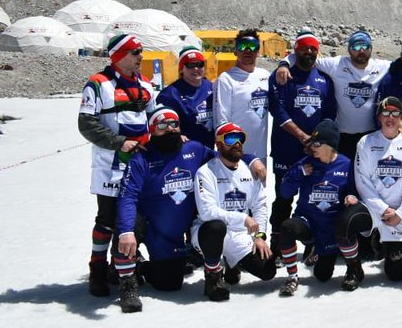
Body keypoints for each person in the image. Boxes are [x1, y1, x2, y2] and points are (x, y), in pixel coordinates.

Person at [113, 108, 264, 311]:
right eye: (162, 125)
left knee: (170, 284)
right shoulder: (142, 158)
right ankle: (127, 282)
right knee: (126, 228)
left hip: (175, 234)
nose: (169, 129)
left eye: (174, 124)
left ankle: (141, 266)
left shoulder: (193, 149)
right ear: (151, 130)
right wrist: (126, 232)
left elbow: (223, 155)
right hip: (152, 226)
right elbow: (127, 196)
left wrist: (251, 160)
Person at [274, 29, 402, 159]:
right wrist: (283, 63)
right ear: (349, 49)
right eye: (356, 46)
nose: (361, 50)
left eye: (365, 46)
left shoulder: (382, 67)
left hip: (370, 135)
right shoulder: (336, 64)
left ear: (371, 49)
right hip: (341, 134)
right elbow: (305, 55)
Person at [77, 33, 154, 298]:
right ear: (119, 56)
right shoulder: (98, 84)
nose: (140, 57)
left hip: (140, 164)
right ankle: (97, 271)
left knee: (134, 220)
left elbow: (154, 116)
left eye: (140, 52)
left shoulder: (146, 84)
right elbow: (86, 124)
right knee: (107, 220)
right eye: (135, 53)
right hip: (110, 164)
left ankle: (118, 266)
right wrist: (119, 141)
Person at [274, 119, 364, 295]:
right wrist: (297, 174)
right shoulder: (305, 163)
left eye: (317, 143)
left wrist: (351, 197)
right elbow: (284, 193)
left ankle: (352, 266)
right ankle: (292, 277)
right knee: (287, 227)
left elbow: (356, 191)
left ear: (330, 144)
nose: (312, 146)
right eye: (311, 142)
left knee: (322, 276)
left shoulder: (347, 165)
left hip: (332, 228)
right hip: (308, 222)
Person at [193, 122, 276, 301]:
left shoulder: (249, 171)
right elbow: (207, 212)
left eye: (240, 139)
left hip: (239, 234)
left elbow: (260, 205)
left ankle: (233, 263)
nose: (237, 143)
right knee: (216, 228)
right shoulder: (206, 172)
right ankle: (213, 276)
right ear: (219, 144)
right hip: (209, 232)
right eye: (231, 138)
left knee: (267, 269)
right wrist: (243, 218)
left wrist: (260, 236)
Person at [268, 30, 337, 242]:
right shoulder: (282, 75)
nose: (309, 51)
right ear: (295, 50)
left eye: (313, 48)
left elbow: (330, 113)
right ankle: (278, 243)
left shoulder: (325, 79)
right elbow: (277, 109)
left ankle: (314, 243)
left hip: (314, 149)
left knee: (315, 196)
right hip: (286, 148)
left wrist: (317, 140)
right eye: (305, 47)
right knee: (283, 197)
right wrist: (301, 135)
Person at [352, 97, 402, 282]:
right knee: (347, 220)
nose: (390, 117)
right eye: (385, 113)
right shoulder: (366, 142)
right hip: (374, 209)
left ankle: (383, 242)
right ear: (379, 117)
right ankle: (355, 265)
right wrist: (383, 209)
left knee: (395, 275)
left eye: (395, 113)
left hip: (401, 213)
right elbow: (362, 182)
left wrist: (400, 213)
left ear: (401, 117)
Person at [212, 29, 270, 161]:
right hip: (237, 155)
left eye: (253, 46)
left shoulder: (265, 75)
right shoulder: (226, 79)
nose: (248, 50)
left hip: (261, 155)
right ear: (235, 51)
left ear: (258, 51)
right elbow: (222, 121)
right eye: (243, 46)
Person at [158, 45, 214, 146]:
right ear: (181, 69)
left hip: (211, 148)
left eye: (200, 64)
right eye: (190, 65)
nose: (196, 69)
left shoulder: (212, 87)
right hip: (186, 149)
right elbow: (160, 123)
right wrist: (176, 135)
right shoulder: (170, 94)